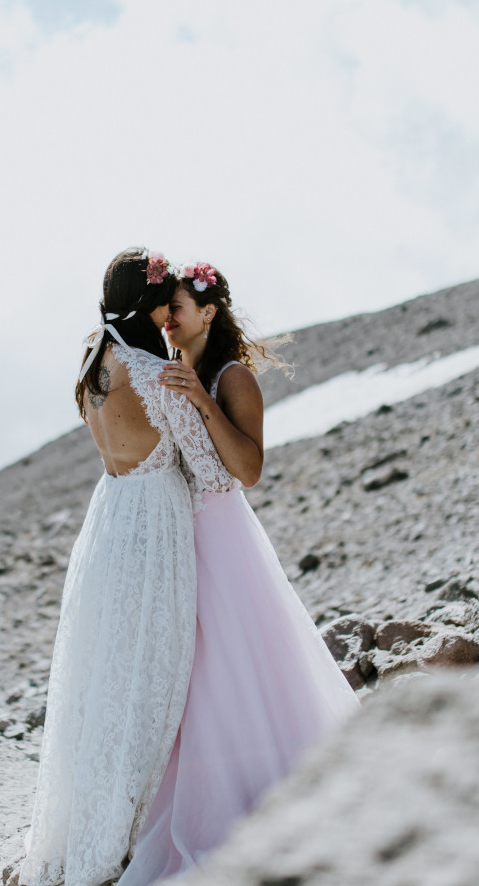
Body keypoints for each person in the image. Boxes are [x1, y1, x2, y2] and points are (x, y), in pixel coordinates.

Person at [118, 263, 361, 885]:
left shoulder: (233, 377)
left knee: (232, 661)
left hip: (222, 536)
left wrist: (202, 400)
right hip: (180, 537)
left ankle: (253, 794)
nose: (167, 319)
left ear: (208, 312)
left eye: (176, 307)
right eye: (162, 309)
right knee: (193, 672)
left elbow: (248, 469)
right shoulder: (172, 369)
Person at [19, 248, 238, 886]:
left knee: (103, 677)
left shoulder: (94, 364)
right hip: (155, 530)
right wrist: (202, 400)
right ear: (147, 307)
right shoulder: (154, 374)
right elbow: (217, 475)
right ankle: (118, 838)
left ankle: (78, 832)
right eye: (164, 302)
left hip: (109, 520)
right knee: (148, 676)